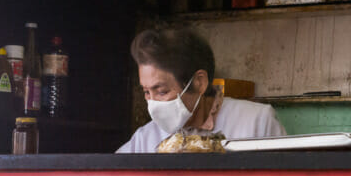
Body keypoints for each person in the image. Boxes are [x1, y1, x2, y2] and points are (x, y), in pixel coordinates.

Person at [116, 27, 286, 153]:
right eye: (146, 92)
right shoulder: (144, 140)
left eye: (161, 92)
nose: (152, 103)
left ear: (199, 82)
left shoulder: (256, 123)